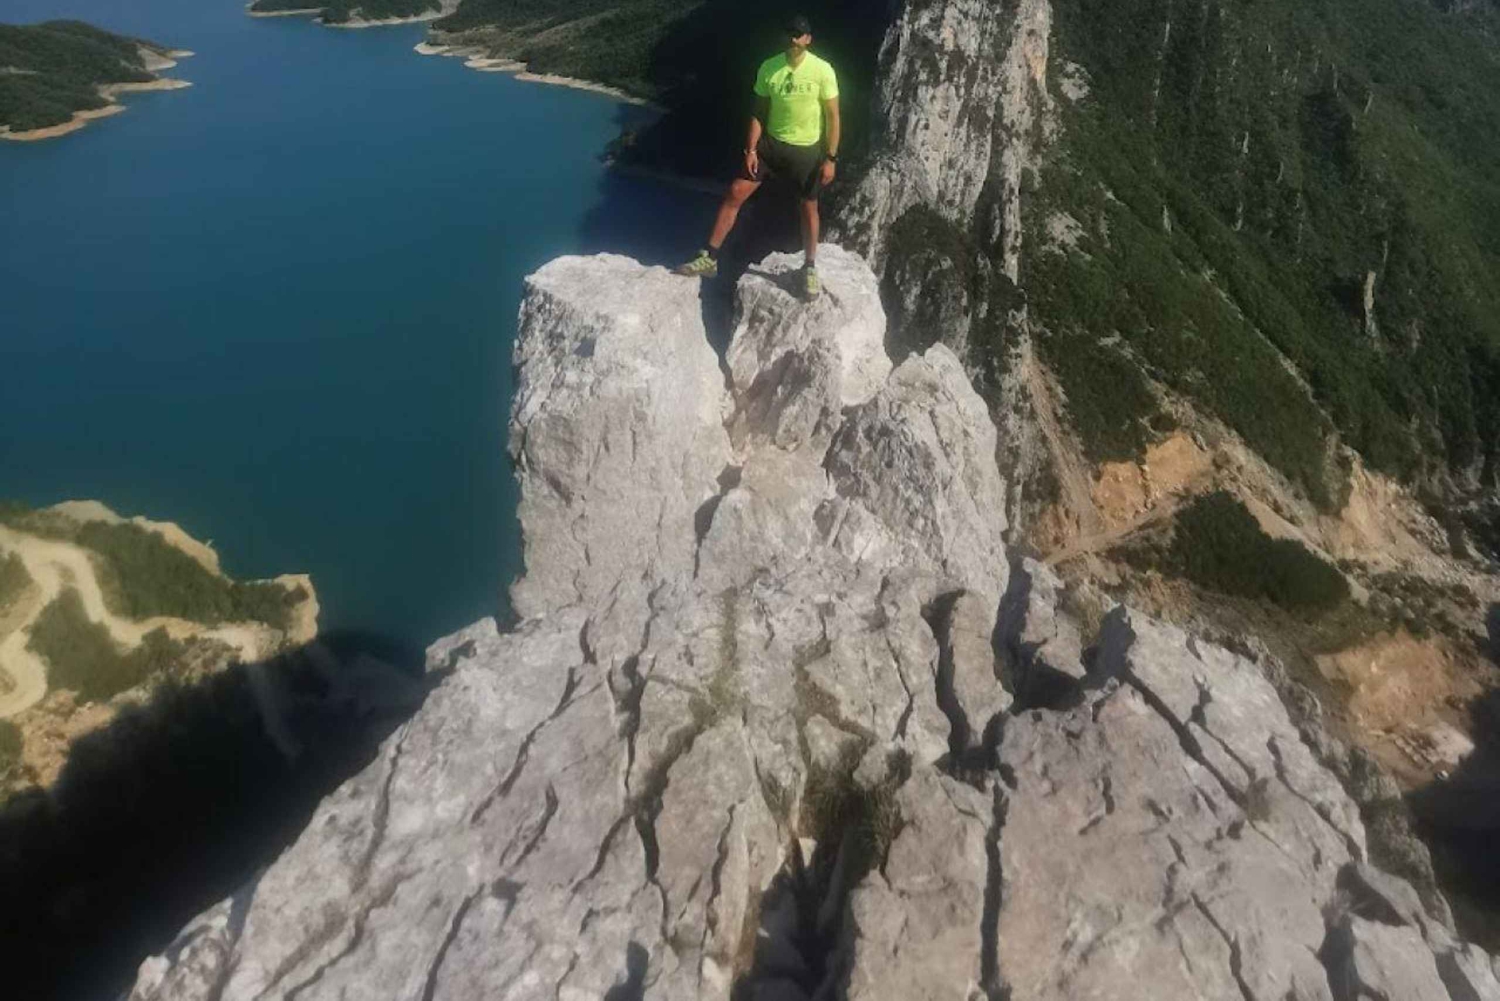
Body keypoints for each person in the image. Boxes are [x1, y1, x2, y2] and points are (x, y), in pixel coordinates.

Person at [676, 13, 841, 298]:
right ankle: (710, 257)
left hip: (806, 149)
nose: (793, 39)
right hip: (771, 146)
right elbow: (758, 112)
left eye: (799, 35)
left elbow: (833, 117)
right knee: (735, 192)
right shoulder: (769, 68)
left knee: (808, 207)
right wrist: (751, 150)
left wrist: (830, 158)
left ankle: (810, 267)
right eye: (790, 33)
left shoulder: (822, 70)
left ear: (808, 39)